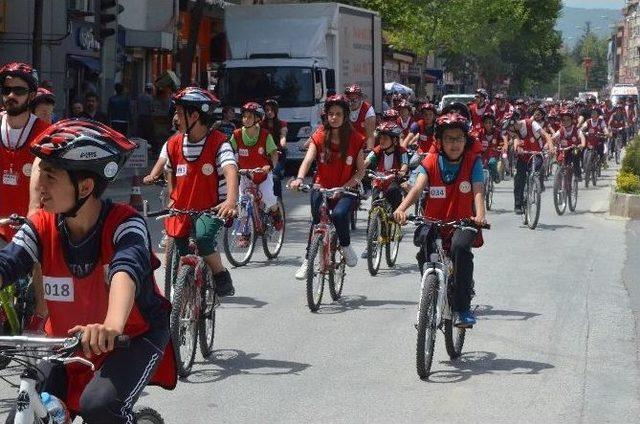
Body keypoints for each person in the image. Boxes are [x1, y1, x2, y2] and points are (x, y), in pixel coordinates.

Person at [0, 119, 177, 423]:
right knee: (31, 405)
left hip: (132, 338)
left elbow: (126, 270)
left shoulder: (125, 224)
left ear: (85, 186)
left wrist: (111, 324)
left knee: (99, 407)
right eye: (40, 171)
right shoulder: (41, 226)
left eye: (50, 175)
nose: (38, 184)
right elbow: (7, 263)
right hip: (64, 342)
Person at [393, 112, 486, 328]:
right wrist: (401, 209)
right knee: (423, 253)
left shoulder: (473, 162)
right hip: (433, 220)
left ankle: (462, 308)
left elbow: (478, 190)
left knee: (461, 249)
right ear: (440, 141)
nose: (454, 144)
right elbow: (417, 188)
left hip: (463, 222)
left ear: (466, 140)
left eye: (459, 138)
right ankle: (429, 296)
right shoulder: (432, 160)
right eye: (449, 139)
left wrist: (480, 215)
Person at [165, 87, 238, 297]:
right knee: (179, 245)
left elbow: (230, 169)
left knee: (204, 237)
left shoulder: (218, 143)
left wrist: (231, 201)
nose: (175, 119)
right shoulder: (174, 143)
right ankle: (184, 298)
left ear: (194, 115)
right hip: (183, 208)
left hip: (213, 207)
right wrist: (171, 198)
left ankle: (220, 274)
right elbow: (169, 171)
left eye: (179, 113)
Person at [290, 94, 366, 278]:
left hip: (346, 189)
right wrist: (299, 178)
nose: (334, 117)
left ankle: (346, 247)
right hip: (322, 187)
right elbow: (308, 160)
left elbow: (361, 171)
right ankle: (308, 261)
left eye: (338, 114)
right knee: (316, 221)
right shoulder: (319, 135)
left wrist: (345, 187)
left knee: (339, 215)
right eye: (330, 113)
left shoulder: (356, 139)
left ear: (345, 115)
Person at [0, 61, 51, 325]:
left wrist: (35, 214)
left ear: (31, 95)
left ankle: (42, 318)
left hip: (31, 218)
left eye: (18, 90)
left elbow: (42, 172)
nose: (11, 95)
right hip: (1, 221)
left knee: (40, 262)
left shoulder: (43, 132)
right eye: (6, 89)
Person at [230, 102, 282, 235]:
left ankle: (276, 213)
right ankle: (244, 233)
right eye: (244, 117)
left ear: (257, 119)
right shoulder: (236, 134)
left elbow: (274, 154)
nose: (245, 119)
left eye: (249, 117)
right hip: (245, 174)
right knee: (242, 203)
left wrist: (270, 167)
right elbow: (228, 151)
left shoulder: (265, 135)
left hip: (262, 174)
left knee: (269, 198)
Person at [361, 122, 408, 258]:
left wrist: (401, 172)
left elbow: (404, 164)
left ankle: (397, 222)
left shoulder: (401, 151)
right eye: (380, 138)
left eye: (385, 138)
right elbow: (366, 162)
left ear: (394, 140)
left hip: (393, 181)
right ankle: (370, 244)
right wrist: (360, 170)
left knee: (394, 195)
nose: (381, 141)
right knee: (373, 212)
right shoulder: (377, 150)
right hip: (379, 181)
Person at [512, 107, 555, 213]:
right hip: (523, 157)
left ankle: (535, 182)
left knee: (535, 171)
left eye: (512, 123)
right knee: (519, 179)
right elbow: (515, 141)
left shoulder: (531, 124)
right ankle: (518, 204)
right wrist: (517, 148)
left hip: (536, 155)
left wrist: (551, 147)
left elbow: (547, 136)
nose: (511, 127)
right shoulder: (513, 130)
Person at [261, 99, 288, 198]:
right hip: (264, 154)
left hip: (278, 153)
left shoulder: (282, 123)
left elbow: (283, 135)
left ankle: (277, 203)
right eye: (267, 110)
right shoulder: (260, 125)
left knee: (275, 175)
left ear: (276, 111)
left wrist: (282, 142)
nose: (269, 112)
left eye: (272, 110)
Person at [551, 108, 585, 180]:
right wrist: (552, 145)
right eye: (563, 120)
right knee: (559, 162)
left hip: (574, 149)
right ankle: (558, 182)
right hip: (563, 150)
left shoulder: (576, 130)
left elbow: (582, 137)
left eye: (568, 120)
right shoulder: (560, 130)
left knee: (575, 156)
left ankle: (577, 174)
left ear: (572, 120)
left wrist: (582, 144)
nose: (565, 122)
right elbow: (553, 138)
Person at [345, 84, 376, 150]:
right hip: (348, 145)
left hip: (363, 146)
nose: (351, 103)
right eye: (349, 100)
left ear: (360, 98)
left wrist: (369, 152)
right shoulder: (344, 108)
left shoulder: (368, 110)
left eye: (354, 100)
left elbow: (370, 135)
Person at [478, 112, 501, 183]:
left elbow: (501, 141)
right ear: (483, 124)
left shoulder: (497, 132)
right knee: (479, 166)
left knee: (492, 163)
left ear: (493, 124)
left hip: (493, 154)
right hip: (482, 154)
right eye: (486, 123)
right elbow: (475, 141)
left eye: (490, 123)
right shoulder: (480, 132)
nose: (488, 125)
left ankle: (495, 176)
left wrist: (500, 146)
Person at [136, 83, 156, 155]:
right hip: (147, 118)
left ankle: (140, 150)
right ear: (150, 90)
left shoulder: (140, 96)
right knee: (149, 134)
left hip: (140, 117)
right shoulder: (150, 98)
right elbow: (152, 109)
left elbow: (137, 107)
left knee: (140, 134)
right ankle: (149, 150)